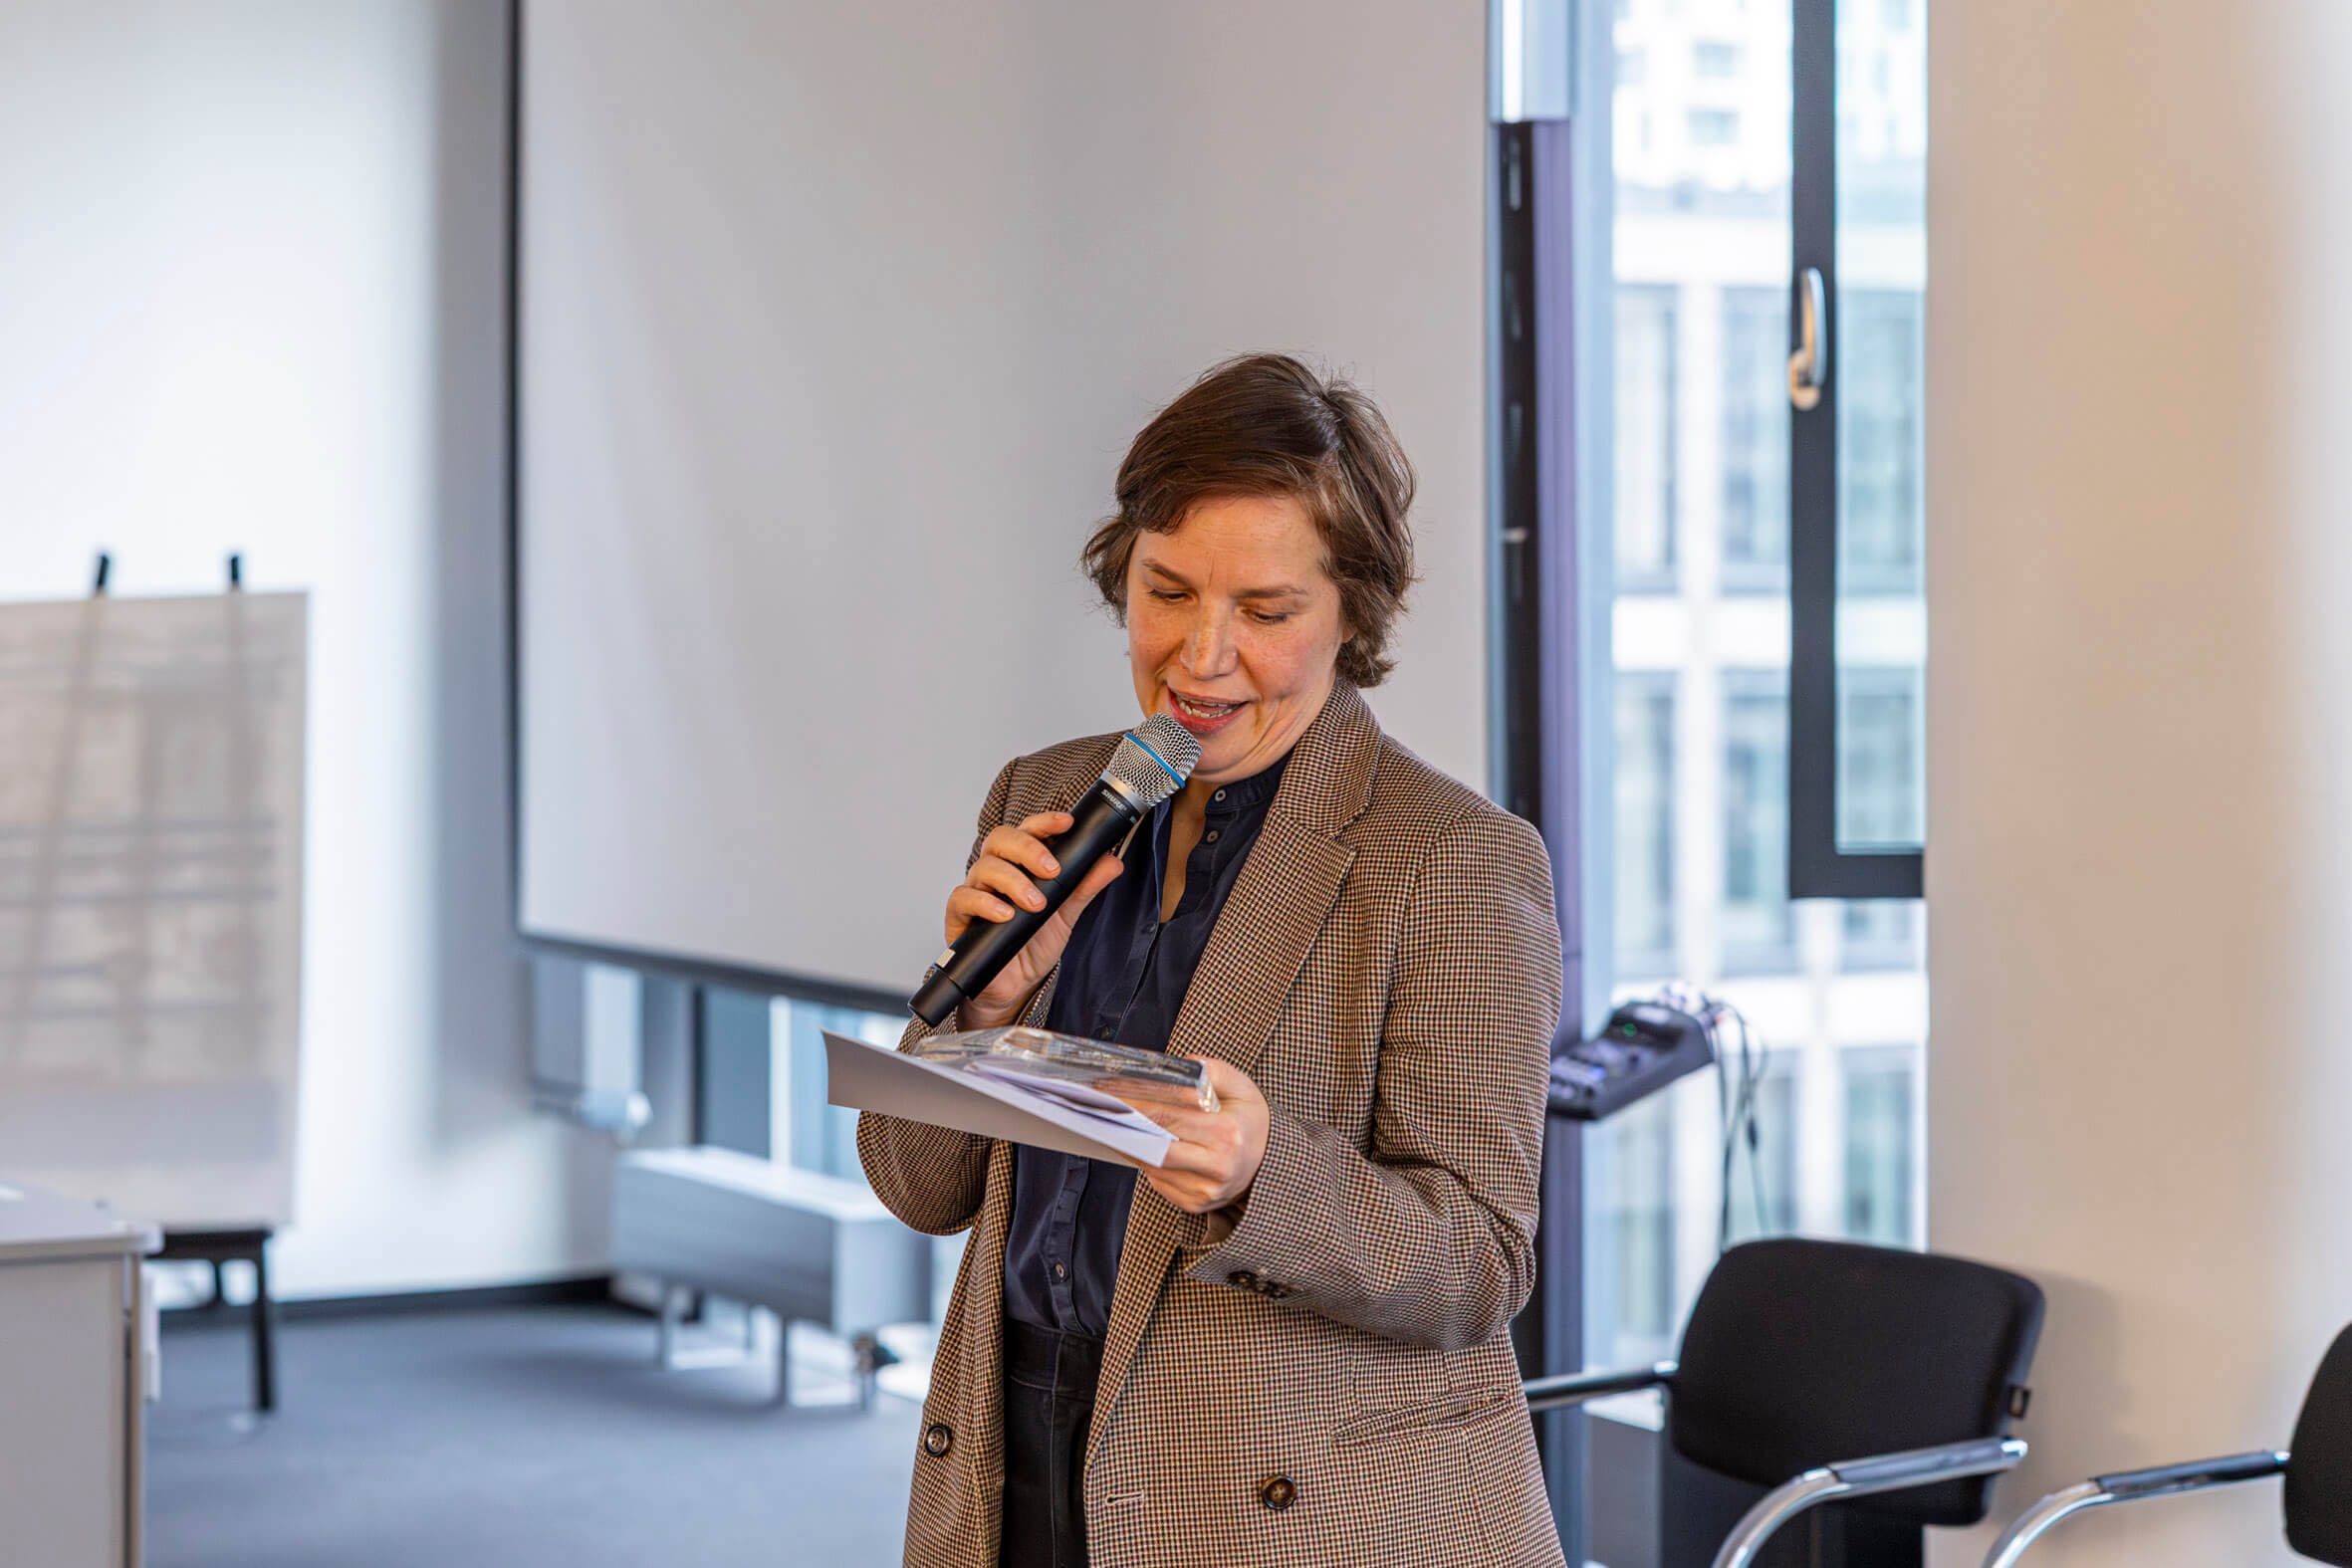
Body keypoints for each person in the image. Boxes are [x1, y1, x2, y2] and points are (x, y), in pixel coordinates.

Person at [858, 352, 1564, 1568]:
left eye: (1266, 611)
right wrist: (980, 1014)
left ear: (1352, 613)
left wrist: (1260, 1174)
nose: (1199, 655)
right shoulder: (1044, 794)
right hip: (1014, 1460)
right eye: (1167, 591)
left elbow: (1478, 1266)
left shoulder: (1451, 858)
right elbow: (920, 1190)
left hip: (1287, 1510)